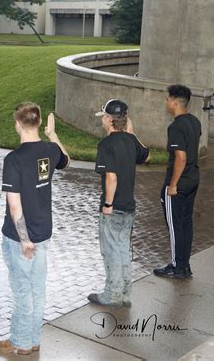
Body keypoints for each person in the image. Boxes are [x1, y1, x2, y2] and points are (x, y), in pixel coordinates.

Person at [0, 102, 69, 355]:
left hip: (19, 238)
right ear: (36, 124)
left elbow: (15, 207)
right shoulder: (50, 150)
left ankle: (22, 343)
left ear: (18, 124)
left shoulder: (13, 159)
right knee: (37, 288)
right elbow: (66, 160)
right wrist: (53, 135)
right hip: (44, 231)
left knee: (23, 291)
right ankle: (29, 338)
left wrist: (24, 240)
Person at [87, 99, 150, 308]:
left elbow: (111, 178)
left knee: (111, 251)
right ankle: (123, 294)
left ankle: (111, 296)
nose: (103, 121)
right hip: (129, 207)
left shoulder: (106, 145)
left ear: (108, 119)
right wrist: (132, 132)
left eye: (104, 117)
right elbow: (146, 154)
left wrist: (107, 205)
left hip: (114, 208)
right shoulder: (131, 141)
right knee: (123, 249)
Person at [154, 85, 201, 279]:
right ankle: (184, 265)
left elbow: (180, 157)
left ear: (174, 102)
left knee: (175, 226)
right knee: (186, 223)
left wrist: (172, 185)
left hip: (178, 184)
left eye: (167, 99)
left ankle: (176, 266)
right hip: (193, 179)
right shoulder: (195, 122)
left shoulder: (176, 126)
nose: (166, 103)